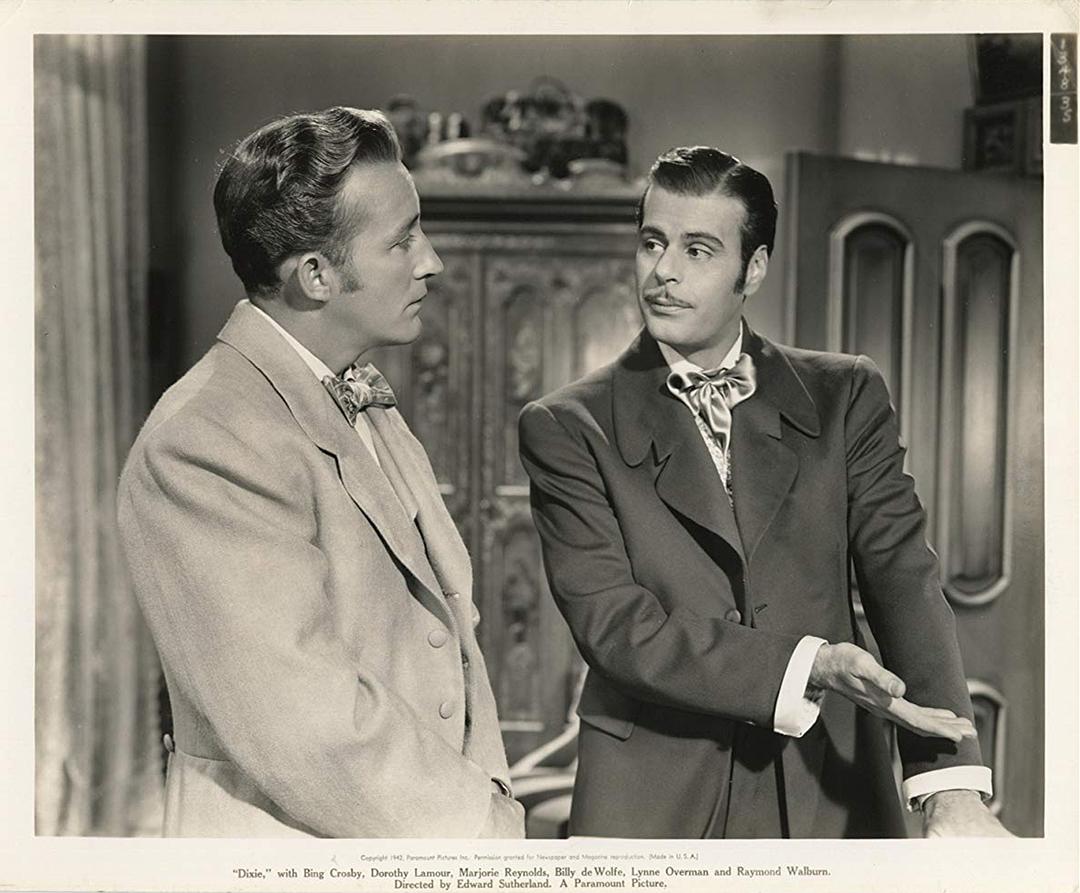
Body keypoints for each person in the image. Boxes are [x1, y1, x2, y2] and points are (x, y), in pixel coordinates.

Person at [517, 146, 1010, 839]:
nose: (663, 271)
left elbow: (903, 577)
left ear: (753, 268)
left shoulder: (844, 394)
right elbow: (618, 627)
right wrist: (810, 663)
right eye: (653, 243)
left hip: (824, 785)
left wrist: (949, 782)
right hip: (653, 796)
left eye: (697, 250)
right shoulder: (568, 424)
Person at [118, 107, 524, 838]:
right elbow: (303, 723)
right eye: (402, 240)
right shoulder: (203, 441)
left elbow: (449, 644)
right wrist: (483, 831)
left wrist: (488, 797)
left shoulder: (359, 393)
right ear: (315, 275)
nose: (431, 261)